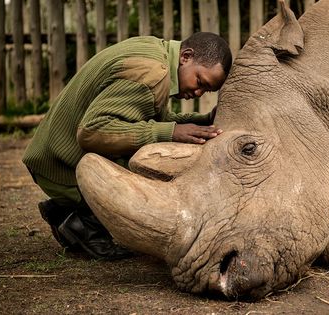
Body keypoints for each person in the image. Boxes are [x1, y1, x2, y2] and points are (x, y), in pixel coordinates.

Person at [22, 32, 233, 260]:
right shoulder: (152, 74)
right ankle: (79, 217)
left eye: (206, 90)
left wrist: (200, 122)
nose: (198, 92)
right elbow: (92, 132)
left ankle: (68, 211)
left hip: (51, 154)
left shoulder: (156, 52)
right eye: (200, 81)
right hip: (59, 166)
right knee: (150, 166)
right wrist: (170, 132)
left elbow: (146, 117)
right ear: (186, 57)